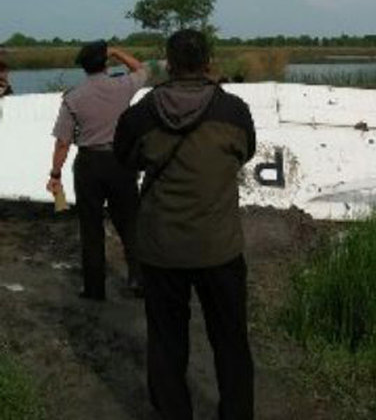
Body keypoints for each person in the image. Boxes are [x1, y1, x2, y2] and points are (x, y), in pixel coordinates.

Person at [114, 29, 256, 420]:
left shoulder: (141, 114)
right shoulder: (234, 111)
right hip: (220, 248)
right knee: (230, 341)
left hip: (161, 249)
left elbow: (126, 160)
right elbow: (245, 152)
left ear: (169, 63)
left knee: (166, 342)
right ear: (209, 62)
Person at [47, 41, 148, 300]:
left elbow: (63, 142)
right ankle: (138, 279)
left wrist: (55, 174)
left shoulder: (73, 97)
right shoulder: (122, 86)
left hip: (89, 164)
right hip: (120, 162)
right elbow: (142, 69)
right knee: (130, 223)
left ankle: (94, 288)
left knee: (91, 228)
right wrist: (116, 52)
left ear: (83, 68)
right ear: (105, 63)